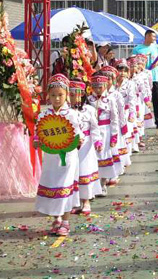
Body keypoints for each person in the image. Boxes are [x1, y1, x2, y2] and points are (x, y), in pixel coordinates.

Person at [34, 74, 82, 237]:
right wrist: (37, 141)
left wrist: (76, 141)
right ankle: (56, 219)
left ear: (67, 94)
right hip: (50, 158)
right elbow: (37, 132)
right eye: (53, 95)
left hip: (67, 158)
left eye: (60, 95)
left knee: (65, 186)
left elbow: (78, 135)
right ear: (48, 95)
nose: (56, 99)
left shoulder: (72, 114)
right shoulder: (43, 115)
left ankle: (66, 222)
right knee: (53, 185)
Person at [69, 79, 102, 215]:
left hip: (86, 146)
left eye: (77, 94)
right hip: (70, 146)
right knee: (72, 174)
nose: (74, 97)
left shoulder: (89, 110)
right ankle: (74, 202)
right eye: (70, 94)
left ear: (82, 94)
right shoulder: (66, 111)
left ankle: (86, 201)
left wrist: (97, 141)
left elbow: (94, 128)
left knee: (84, 172)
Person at [87, 74, 120, 196]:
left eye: (100, 87)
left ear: (105, 86)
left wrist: (114, 136)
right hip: (94, 132)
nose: (97, 89)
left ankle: (103, 183)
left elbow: (114, 118)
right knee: (94, 158)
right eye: (95, 87)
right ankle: (93, 186)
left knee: (104, 156)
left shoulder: (110, 99)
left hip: (106, 131)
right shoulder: (88, 100)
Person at [132, 30, 158, 129]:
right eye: (153, 36)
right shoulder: (137, 49)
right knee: (142, 100)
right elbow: (133, 62)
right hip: (142, 79)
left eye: (155, 37)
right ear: (147, 36)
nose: (154, 39)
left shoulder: (156, 47)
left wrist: (156, 63)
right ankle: (142, 121)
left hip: (155, 77)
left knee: (157, 100)